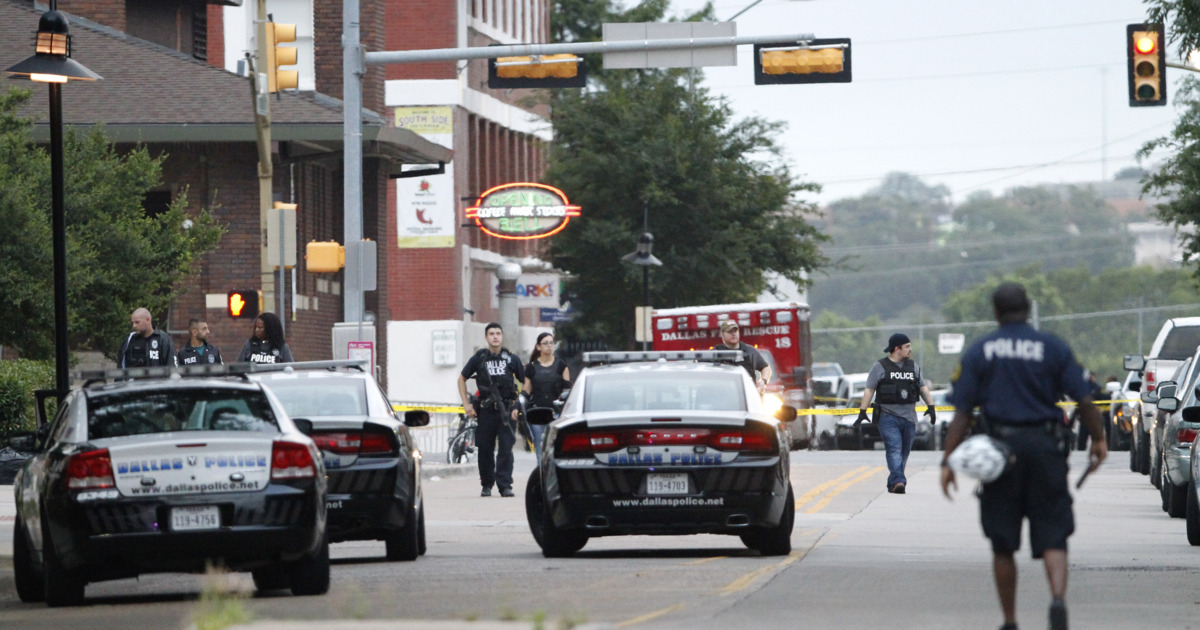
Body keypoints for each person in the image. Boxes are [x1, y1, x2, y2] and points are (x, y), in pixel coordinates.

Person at [940, 282, 1107, 630]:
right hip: (1046, 449)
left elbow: (962, 413)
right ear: (1029, 308)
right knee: (1053, 534)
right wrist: (1099, 439)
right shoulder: (1053, 347)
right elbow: (1085, 400)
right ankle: (1058, 601)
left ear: (996, 312)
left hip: (1000, 455)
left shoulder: (980, 351)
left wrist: (948, 461)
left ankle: (1010, 620)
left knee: (1002, 542)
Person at [855, 333, 935, 494]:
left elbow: (922, 388)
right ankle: (899, 480)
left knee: (904, 452)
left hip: (910, 418)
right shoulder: (880, 367)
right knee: (894, 448)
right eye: (907, 347)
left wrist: (931, 406)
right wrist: (862, 411)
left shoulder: (913, 367)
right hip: (887, 417)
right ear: (897, 349)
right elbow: (869, 389)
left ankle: (894, 481)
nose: (910, 350)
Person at [458, 323, 524, 497]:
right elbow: (462, 379)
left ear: (502, 336)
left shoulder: (512, 359)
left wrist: (518, 405)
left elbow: (527, 382)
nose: (495, 336)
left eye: (498, 333)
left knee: (506, 449)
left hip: (507, 410)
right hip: (486, 410)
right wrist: (466, 404)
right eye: (491, 334)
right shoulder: (479, 359)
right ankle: (487, 484)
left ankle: (505, 485)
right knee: (485, 448)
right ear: (486, 337)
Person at [522, 332, 571, 456]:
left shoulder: (561, 366)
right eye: (545, 343)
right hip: (537, 412)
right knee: (541, 448)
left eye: (551, 343)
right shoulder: (531, 367)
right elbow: (526, 391)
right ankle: (541, 474)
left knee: (556, 448)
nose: (549, 346)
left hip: (556, 414)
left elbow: (567, 391)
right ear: (538, 347)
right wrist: (518, 406)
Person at [711, 320, 771, 391]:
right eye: (730, 332)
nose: (733, 334)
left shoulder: (750, 351)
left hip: (748, 395)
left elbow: (765, 368)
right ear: (723, 334)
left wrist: (763, 381)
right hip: (724, 395)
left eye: (735, 331)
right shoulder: (715, 353)